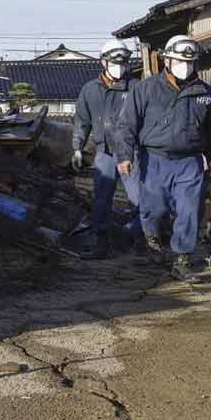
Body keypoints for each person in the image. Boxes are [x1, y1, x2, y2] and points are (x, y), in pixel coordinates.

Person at [116, 35, 211, 282]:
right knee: (154, 209)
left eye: (190, 62)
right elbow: (126, 126)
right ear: (167, 59)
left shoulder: (205, 93)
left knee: (190, 210)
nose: (185, 66)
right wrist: (124, 156)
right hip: (153, 159)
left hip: (189, 161)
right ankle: (153, 240)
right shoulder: (145, 89)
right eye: (179, 61)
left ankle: (182, 260)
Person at [72, 39, 141, 259]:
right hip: (105, 152)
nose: (119, 66)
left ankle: (142, 243)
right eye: (114, 62)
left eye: (123, 62)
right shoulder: (90, 90)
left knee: (139, 198)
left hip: (131, 152)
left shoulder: (137, 88)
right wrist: (77, 148)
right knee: (101, 199)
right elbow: (82, 121)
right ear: (103, 62)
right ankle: (101, 244)